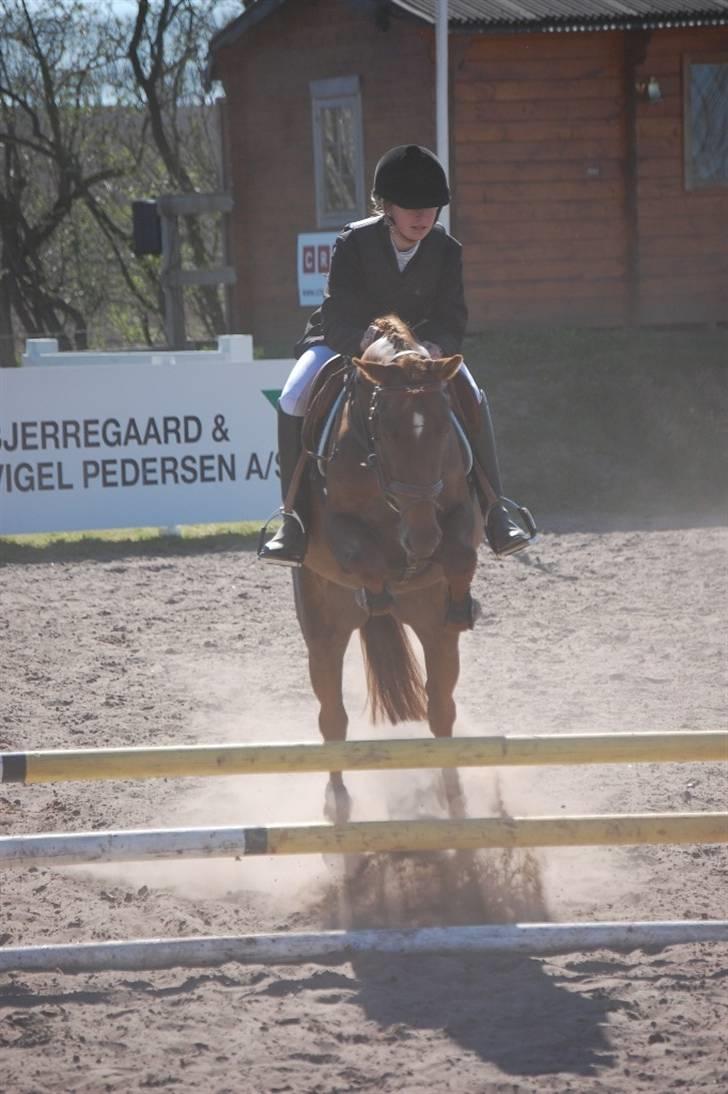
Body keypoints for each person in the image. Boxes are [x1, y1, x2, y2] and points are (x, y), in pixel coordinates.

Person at [259, 143, 533, 567]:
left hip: (419, 352)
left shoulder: (446, 250)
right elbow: (335, 312)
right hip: (348, 342)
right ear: (387, 206)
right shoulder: (354, 241)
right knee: (294, 394)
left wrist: (436, 346)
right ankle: (292, 519)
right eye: (411, 207)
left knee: (474, 393)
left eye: (430, 207)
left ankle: (497, 510)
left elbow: (452, 315)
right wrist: (365, 340)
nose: (423, 217)